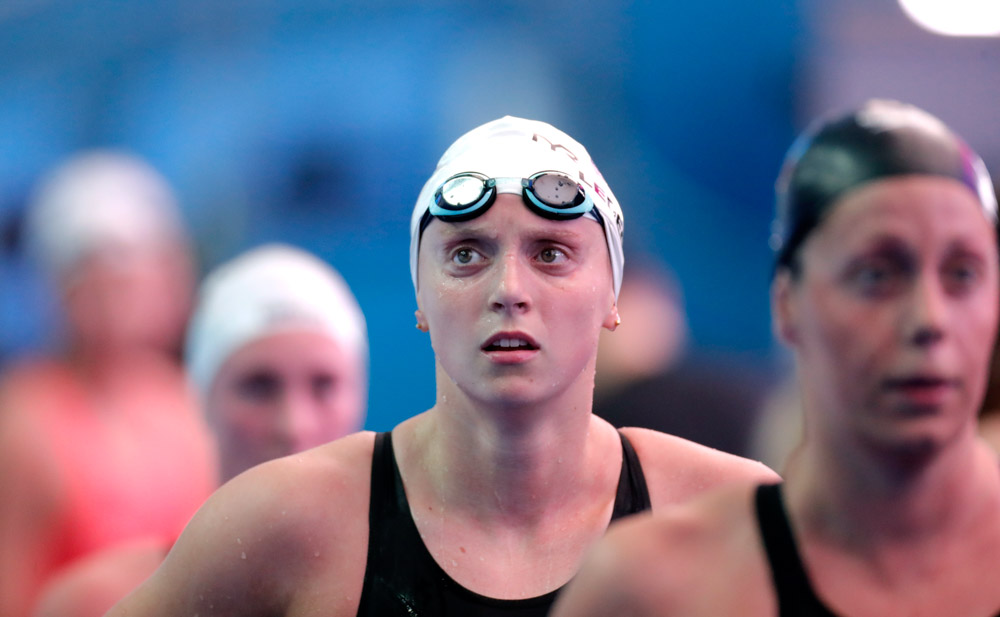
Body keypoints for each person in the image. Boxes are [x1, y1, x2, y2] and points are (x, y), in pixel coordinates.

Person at [106, 116, 776, 616]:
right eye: (465, 255)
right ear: (420, 298)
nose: (508, 288)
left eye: (550, 253)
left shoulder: (732, 517)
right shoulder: (288, 522)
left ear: (612, 295)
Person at [551, 99, 1000, 617]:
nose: (930, 320)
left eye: (963, 273)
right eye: (877, 274)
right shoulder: (654, 588)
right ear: (787, 303)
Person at [32, 243, 370, 617]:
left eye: (323, 385)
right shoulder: (96, 602)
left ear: (360, 397)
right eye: (259, 385)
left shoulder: (414, 591)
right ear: (200, 402)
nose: (294, 424)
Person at [0, 150, 218, 617]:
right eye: (100, 278)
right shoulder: (26, 422)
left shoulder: (199, 404)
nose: (120, 294)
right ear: (61, 291)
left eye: (135, 272)